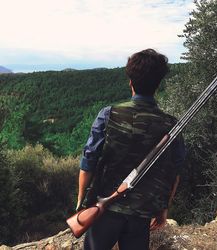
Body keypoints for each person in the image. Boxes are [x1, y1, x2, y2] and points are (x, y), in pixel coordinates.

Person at [76, 49, 186, 250]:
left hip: (105, 208)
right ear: (158, 84)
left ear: (130, 81)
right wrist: (163, 208)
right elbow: (174, 172)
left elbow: (88, 161)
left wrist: (82, 200)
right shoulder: (171, 125)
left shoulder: (108, 115)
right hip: (142, 212)